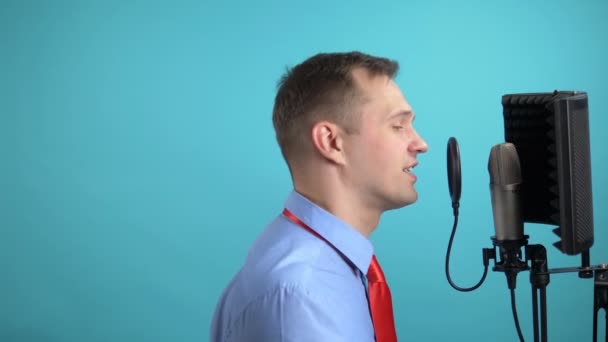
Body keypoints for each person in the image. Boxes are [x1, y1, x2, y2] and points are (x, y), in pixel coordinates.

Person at [210, 51, 428, 342]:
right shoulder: (300, 296)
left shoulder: (320, 269)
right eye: (398, 126)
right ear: (331, 142)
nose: (420, 144)